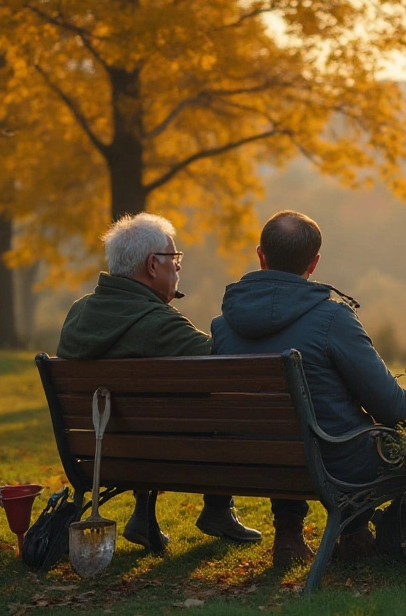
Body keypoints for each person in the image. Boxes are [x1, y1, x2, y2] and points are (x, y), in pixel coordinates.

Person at [211, 210, 406, 566]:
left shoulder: (223, 327)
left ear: (260, 255)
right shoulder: (332, 318)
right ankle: (357, 531)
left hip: (255, 461)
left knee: (286, 429)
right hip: (334, 461)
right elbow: (392, 406)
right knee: (386, 435)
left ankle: (291, 533)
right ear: (314, 263)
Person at [57, 212, 260, 548]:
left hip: (98, 453)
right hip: (169, 455)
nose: (178, 266)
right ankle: (218, 509)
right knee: (216, 401)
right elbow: (225, 369)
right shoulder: (159, 324)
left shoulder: (80, 313)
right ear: (153, 266)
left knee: (150, 409)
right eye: (173, 258)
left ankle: (144, 515)